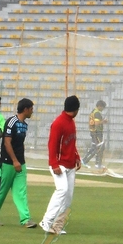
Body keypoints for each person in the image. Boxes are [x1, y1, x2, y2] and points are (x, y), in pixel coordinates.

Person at [0, 98, 37, 228]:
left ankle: (25, 219)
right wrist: (14, 161)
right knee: (1, 191)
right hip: (8, 162)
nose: (32, 111)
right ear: (25, 109)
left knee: (21, 192)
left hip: (20, 163)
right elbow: (7, 142)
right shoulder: (11, 122)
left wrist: (20, 160)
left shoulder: (24, 124)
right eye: (31, 109)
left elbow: (19, 144)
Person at [40, 95, 81, 236]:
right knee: (62, 190)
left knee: (68, 196)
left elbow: (71, 143)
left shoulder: (71, 122)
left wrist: (77, 157)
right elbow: (52, 145)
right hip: (59, 165)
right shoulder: (59, 123)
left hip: (70, 165)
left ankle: (57, 226)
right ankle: (46, 220)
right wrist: (53, 163)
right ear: (76, 109)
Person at [82, 100, 107, 170]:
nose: (103, 109)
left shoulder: (93, 111)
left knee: (95, 147)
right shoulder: (97, 113)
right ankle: (86, 161)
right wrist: (103, 121)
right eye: (102, 107)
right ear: (99, 106)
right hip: (97, 132)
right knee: (99, 147)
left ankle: (97, 164)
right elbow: (96, 123)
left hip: (94, 132)